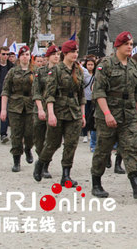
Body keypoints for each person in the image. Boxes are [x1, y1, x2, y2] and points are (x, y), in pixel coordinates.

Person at [89, 31, 137, 199]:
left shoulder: (133, 66)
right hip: (109, 113)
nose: (129, 47)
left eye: (131, 44)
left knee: (130, 147)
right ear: (118, 46)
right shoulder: (106, 64)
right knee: (103, 150)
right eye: (126, 44)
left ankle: (136, 184)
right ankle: (96, 183)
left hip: (129, 114)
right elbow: (98, 92)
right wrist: (107, 114)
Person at [33, 40, 85, 185]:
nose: (74, 55)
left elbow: (81, 95)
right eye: (71, 52)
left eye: (76, 52)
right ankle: (41, 163)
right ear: (65, 53)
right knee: (52, 143)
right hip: (58, 110)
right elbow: (49, 94)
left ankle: (66, 175)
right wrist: (50, 113)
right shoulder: (56, 70)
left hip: (74, 112)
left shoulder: (79, 70)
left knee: (71, 144)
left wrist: (83, 114)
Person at [0, 45, 35, 172]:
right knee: (16, 134)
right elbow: (5, 91)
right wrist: (3, 109)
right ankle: (16, 160)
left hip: (31, 106)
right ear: (19, 57)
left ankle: (28, 149)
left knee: (30, 133)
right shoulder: (12, 72)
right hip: (15, 106)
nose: (25, 57)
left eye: (27, 55)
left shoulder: (35, 71)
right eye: (23, 55)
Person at [32, 45, 60, 179]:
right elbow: (36, 91)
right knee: (39, 139)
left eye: (58, 54)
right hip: (40, 107)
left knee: (52, 139)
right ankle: (40, 159)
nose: (56, 56)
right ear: (48, 56)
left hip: (55, 109)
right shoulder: (40, 71)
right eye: (53, 54)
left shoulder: (62, 71)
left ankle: (45, 165)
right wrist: (40, 109)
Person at [82, 56, 97, 152]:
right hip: (85, 98)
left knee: (91, 118)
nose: (90, 66)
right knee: (85, 116)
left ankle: (91, 134)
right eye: (89, 64)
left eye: (92, 64)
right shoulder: (84, 75)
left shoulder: (96, 75)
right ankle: (84, 134)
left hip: (93, 99)